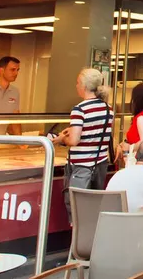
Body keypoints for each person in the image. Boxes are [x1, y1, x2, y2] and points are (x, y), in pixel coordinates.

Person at [50, 68, 114, 218]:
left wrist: (61, 139)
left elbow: (74, 140)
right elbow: (96, 132)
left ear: (84, 86)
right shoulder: (107, 108)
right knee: (93, 208)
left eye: (78, 82)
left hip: (81, 167)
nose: (76, 85)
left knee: (77, 209)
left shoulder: (79, 109)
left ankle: (77, 239)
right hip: (100, 165)